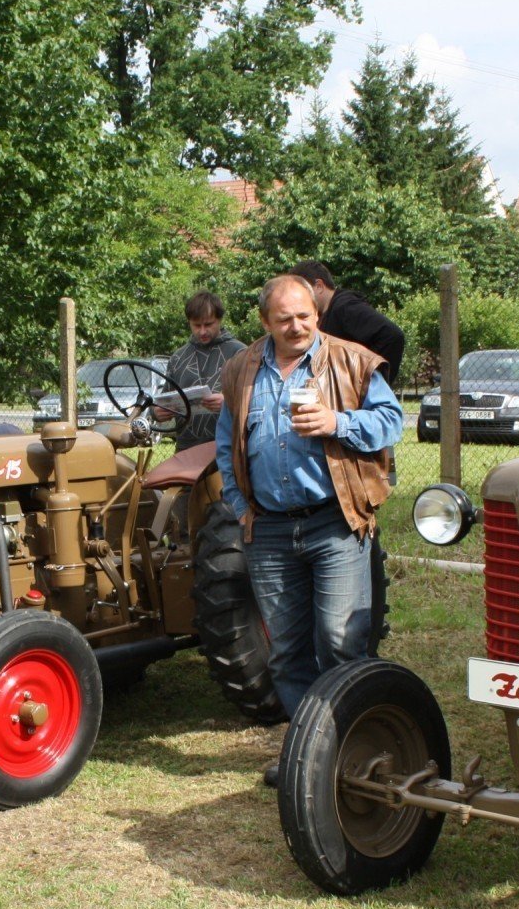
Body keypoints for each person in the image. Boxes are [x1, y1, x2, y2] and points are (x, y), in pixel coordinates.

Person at [215, 275, 402, 784]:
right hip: (270, 531)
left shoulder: (351, 360)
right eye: (284, 319)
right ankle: (310, 755)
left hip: (334, 522)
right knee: (287, 651)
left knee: (342, 640)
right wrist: (240, 506)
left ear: (316, 312)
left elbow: (391, 422)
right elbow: (225, 445)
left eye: (304, 316)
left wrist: (336, 423)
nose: (296, 326)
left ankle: (357, 748)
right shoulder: (240, 370)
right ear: (265, 322)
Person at [289, 260, 407, 387]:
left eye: (303, 292)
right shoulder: (329, 312)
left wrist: (368, 380)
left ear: (319, 286)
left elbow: (392, 335)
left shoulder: (345, 308)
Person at [163, 290, 246, 448]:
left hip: (229, 448)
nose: (202, 331)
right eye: (196, 325)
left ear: (219, 320)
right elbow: (166, 399)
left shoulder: (241, 353)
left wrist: (229, 403)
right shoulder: (178, 358)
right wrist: (158, 412)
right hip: (186, 449)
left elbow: (257, 400)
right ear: (189, 322)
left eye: (208, 324)